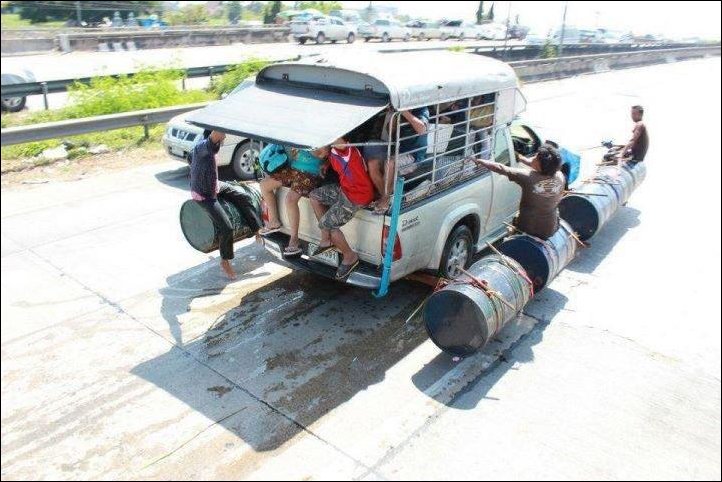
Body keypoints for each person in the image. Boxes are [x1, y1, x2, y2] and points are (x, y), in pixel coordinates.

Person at [189, 130, 262, 279]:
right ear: (214, 135)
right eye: (222, 134)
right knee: (227, 228)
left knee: (244, 197)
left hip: (215, 185)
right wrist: (218, 128)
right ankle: (225, 260)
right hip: (205, 195)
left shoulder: (209, 148)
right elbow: (209, 142)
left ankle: (257, 230)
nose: (225, 136)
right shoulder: (202, 147)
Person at [308, 135, 375, 279]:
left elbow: (334, 135)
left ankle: (350, 256)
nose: (320, 156)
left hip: (358, 195)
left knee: (329, 225)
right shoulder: (331, 152)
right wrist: (326, 163)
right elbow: (329, 154)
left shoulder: (345, 149)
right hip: (345, 190)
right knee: (314, 196)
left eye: (319, 152)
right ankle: (326, 239)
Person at [475, 145, 565, 240]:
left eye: (536, 157)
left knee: (516, 221)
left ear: (540, 164)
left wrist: (480, 161)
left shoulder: (528, 177)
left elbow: (499, 167)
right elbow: (537, 165)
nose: (533, 157)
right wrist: (521, 158)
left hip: (526, 228)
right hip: (549, 230)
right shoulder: (560, 176)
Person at [258, 145, 327, 257]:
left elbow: (323, 153)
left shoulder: (319, 138)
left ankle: (294, 240)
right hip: (295, 169)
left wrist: (307, 146)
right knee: (264, 185)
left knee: (290, 200)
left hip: (309, 172)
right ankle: (274, 221)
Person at [362, 107, 430, 213]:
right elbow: (390, 132)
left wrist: (404, 112)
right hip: (398, 151)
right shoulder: (398, 113)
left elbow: (422, 129)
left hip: (414, 155)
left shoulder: (421, 110)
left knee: (390, 162)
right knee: (372, 163)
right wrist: (392, 120)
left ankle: (385, 199)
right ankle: (386, 197)